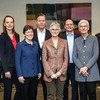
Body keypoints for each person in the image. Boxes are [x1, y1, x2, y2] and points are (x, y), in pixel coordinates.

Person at [73, 19, 100, 100]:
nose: (83, 28)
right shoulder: (76, 40)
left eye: (85, 26)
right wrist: (81, 67)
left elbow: (96, 55)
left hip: (91, 72)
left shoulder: (94, 39)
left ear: (88, 28)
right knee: (82, 94)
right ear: (79, 29)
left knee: (92, 94)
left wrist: (86, 67)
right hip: (80, 72)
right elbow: (74, 56)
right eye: (81, 26)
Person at [42, 21, 68, 100]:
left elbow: (66, 58)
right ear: (50, 31)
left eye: (56, 29)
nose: (54, 31)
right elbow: (44, 59)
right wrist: (51, 73)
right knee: (50, 96)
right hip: (49, 73)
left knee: (60, 96)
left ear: (59, 31)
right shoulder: (45, 43)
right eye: (53, 29)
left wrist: (60, 71)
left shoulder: (64, 42)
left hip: (61, 72)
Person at [15, 25, 42, 100]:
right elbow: (17, 62)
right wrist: (19, 75)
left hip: (34, 74)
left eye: (31, 32)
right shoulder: (20, 45)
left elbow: (38, 59)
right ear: (24, 34)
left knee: (33, 95)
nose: (30, 33)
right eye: (27, 32)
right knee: (24, 96)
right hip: (24, 75)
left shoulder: (36, 44)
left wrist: (39, 71)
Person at [0, 15, 21, 100]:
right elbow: (2, 54)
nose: (9, 24)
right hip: (8, 68)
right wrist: (6, 70)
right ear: (4, 24)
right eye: (7, 22)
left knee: (20, 90)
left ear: (13, 23)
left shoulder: (17, 36)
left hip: (17, 67)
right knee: (8, 91)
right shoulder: (2, 37)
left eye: (11, 22)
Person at [60, 19, 80, 100]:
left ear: (73, 26)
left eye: (71, 24)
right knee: (64, 86)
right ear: (64, 26)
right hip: (64, 65)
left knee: (75, 86)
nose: (69, 26)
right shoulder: (61, 37)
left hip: (75, 65)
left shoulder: (78, 37)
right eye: (67, 24)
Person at [33, 13, 51, 100]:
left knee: (46, 87)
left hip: (46, 64)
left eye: (43, 21)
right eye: (39, 21)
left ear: (45, 22)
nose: (41, 22)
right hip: (34, 64)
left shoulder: (50, 34)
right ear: (36, 22)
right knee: (33, 88)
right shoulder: (31, 33)